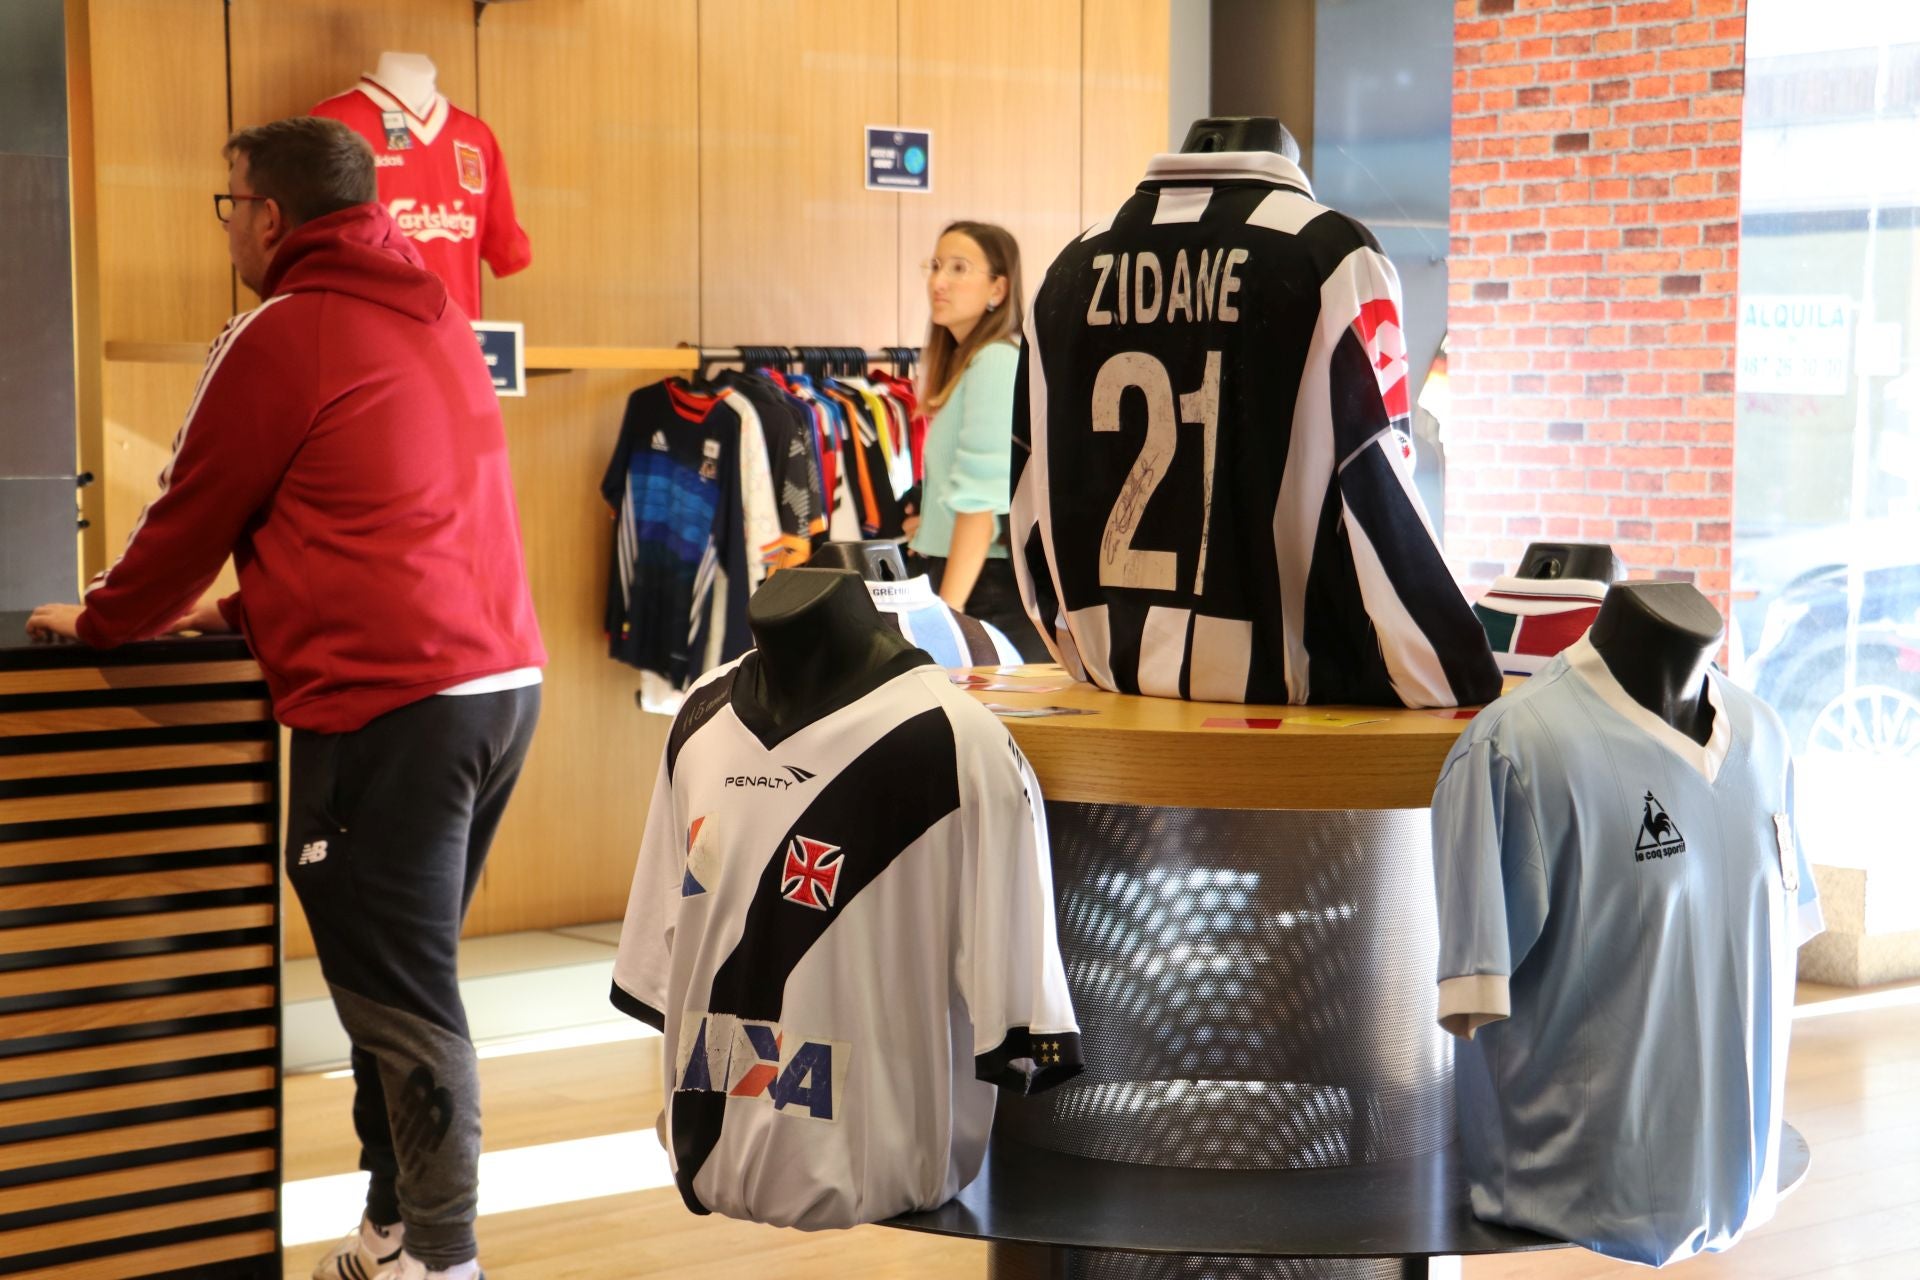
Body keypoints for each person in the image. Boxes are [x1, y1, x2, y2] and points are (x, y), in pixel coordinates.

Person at [27, 115, 544, 1280]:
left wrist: (108, 620)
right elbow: (383, 507)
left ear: (268, 214)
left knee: (400, 996)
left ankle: (446, 1258)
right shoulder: (431, 310)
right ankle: (396, 1226)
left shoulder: (287, 329)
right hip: (497, 682)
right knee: (389, 981)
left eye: (230, 203)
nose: (228, 225)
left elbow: (187, 513)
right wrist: (247, 612)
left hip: (390, 702)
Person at [905, 220, 1049, 660]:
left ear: (998, 289)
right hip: (964, 577)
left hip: (984, 591)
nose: (939, 281)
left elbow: (979, 509)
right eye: (935, 265)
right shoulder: (970, 366)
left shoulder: (994, 362)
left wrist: (944, 622)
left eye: (959, 268)